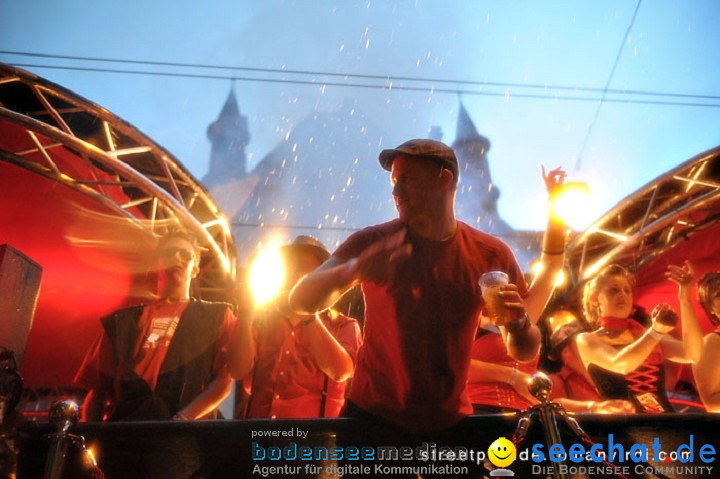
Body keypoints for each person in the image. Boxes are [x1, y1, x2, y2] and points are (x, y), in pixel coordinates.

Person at [289, 139, 541, 432]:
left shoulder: (491, 254)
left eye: (406, 180)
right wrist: (354, 269)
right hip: (372, 421)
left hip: (450, 424)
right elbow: (300, 301)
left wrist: (520, 323)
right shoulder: (372, 242)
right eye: (394, 182)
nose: (395, 191)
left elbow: (523, 350)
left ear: (444, 179)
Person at [74, 230, 237, 421]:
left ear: (195, 269)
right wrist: (92, 438)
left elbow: (225, 380)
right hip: (125, 432)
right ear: (158, 264)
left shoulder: (216, 316)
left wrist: (184, 418)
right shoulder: (122, 323)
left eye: (185, 254)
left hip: (185, 438)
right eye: (169, 254)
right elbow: (98, 391)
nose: (176, 257)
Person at [468, 166, 568, 413]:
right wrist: (511, 376)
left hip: (527, 414)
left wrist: (555, 204)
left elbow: (552, 265)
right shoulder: (462, 319)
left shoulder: (523, 314)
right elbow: (447, 365)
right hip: (477, 413)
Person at [233, 236, 362, 418]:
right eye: (289, 268)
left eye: (302, 267)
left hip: (314, 438)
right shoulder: (262, 321)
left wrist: (307, 309)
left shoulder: (344, 325)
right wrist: (245, 317)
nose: (293, 274)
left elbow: (341, 371)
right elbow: (237, 371)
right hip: (258, 433)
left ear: (322, 276)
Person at [576, 263, 702, 413]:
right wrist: (655, 332)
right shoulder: (587, 339)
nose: (622, 295)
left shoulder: (644, 333)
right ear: (594, 299)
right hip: (622, 428)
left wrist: (685, 298)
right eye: (614, 290)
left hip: (665, 422)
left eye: (627, 290)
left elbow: (692, 354)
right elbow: (621, 365)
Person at [544, 312, 634, 414]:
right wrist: (592, 407)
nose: (590, 344)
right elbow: (552, 405)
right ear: (566, 352)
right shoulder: (554, 381)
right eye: (581, 342)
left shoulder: (605, 373)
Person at [667, 263, 720, 412]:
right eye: (719, 295)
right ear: (711, 309)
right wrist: (684, 297)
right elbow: (711, 402)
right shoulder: (712, 343)